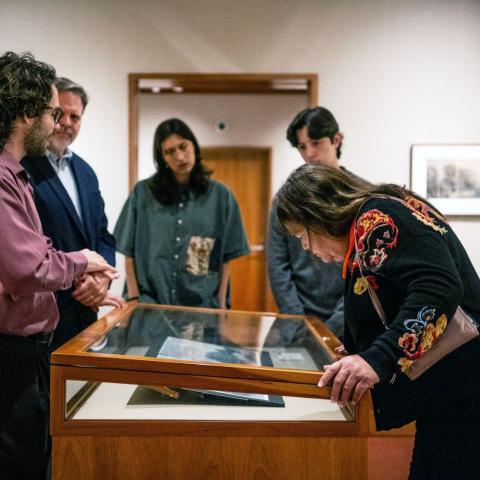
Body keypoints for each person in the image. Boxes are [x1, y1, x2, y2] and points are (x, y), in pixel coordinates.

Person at [276, 163, 480, 479]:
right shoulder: (369, 225)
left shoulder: (377, 217)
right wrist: (359, 347)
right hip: (451, 387)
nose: (306, 248)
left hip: (463, 386)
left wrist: (377, 358)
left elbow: (438, 288)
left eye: (302, 235)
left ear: (318, 213)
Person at [0, 52, 119, 479]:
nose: (60, 123)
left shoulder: (74, 172)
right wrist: (80, 265)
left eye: (71, 115)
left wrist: (98, 274)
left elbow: (100, 234)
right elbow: (27, 265)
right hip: (18, 343)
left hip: (53, 327)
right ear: (28, 112)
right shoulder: (11, 172)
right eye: (54, 112)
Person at [22, 77, 122, 350]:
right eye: (60, 113)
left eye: (75, 116)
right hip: (42, 315)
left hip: (86, 311)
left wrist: (101, 279)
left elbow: (103, 235)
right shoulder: (22, 167)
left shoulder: (86, 172)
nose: (67, 122)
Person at [114, 118, 250, 309]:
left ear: (194, 146)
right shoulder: (143, 193)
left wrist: (220, 308)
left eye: (183, 146)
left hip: (200, 309)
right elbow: (128, 252)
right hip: (151, 307)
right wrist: (134, 299)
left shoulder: (221, 197)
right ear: (162, 159)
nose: (179, 156)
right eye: (169, 152)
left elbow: (226, 259)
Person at [268, 106, 365, 337]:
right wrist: (298, 321)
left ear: (336, 139)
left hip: (351, 319)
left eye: (316, 142)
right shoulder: (285, 200)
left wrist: (335, 325)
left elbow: (367, 268)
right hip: (296, 322)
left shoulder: (361, 196)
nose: (309, 153)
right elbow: (277, 264)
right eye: (302, 146)